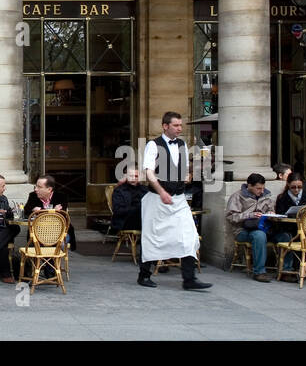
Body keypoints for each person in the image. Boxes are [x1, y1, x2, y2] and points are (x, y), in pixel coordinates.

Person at [139, 112, 210, 290]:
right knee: (153, 238)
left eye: (180, 125)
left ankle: (189, 279)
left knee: (189, 236)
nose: (180, 128)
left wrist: (186, 176)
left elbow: (184, 168)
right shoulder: (153, 145)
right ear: (165, 126)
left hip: (178, 200)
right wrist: (162, 191)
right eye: (176, 125)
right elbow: (148, 171)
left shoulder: (182, 144)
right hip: (156, 200)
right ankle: (144, 275)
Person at [226, 172, 286, 282]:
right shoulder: (237, 196)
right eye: (258, 188)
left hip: (264, 227)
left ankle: (286, 271)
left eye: (263, 188)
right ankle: (259, 272)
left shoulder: (266, 196)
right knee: (259, 236)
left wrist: (271, 214)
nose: (261, 191)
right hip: (243, 230)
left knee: (285, 236)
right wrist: (249, 215)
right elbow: (231, 217)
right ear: (249, 186)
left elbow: (270, 209)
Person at [111, 168, 147, 238]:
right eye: (131, 176)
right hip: (124, 221)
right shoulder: (119, 191)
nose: (133, 178)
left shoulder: (144, 189)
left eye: (136, 176)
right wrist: (135, 209)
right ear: (126, 177)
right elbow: (117, 210)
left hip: (143, 219)